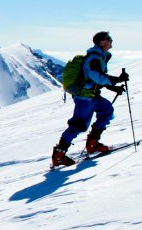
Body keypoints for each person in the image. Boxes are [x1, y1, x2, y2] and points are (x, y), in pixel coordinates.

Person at [51, 31, 129, 167]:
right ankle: (59, 154)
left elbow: (97, 80)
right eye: (109, 39)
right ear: (102, 42)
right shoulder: (94, 57)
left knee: (107, 110)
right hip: (84, 98)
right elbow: (96, 76)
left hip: (92, 96)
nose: (111, 42)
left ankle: (93, 144)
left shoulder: (100, 57)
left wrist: (114, 87)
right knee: (78, 125)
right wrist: (116, 80)